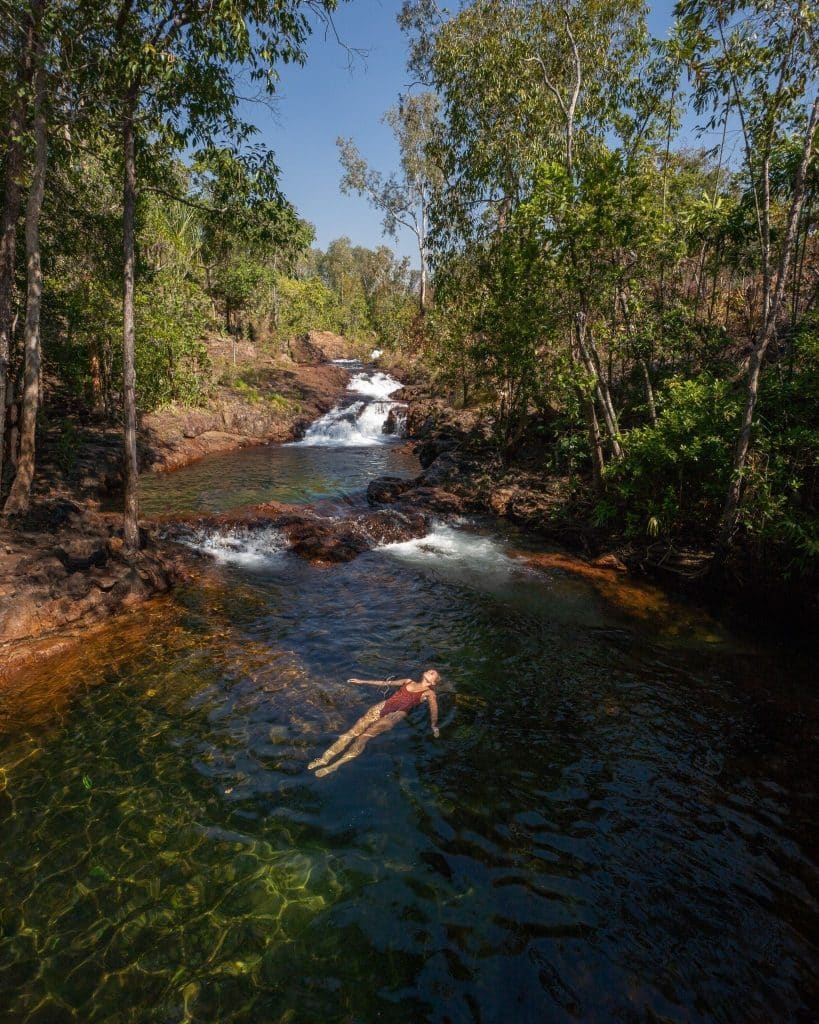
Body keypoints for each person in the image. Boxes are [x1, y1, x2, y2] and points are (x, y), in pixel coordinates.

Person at [308, 669, 441, 777]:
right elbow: (385, 683)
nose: (431, 671)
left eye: (433, 673)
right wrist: (362, 681)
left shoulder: (429, 693)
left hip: (393, 716)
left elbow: (434, 710)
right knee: (350, 733)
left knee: (362, 738)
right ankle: (324, 758)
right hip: (381, 707)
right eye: (430, 670)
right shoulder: (408, 681)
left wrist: (433, 726)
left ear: (432, 683)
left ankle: (335, 766)